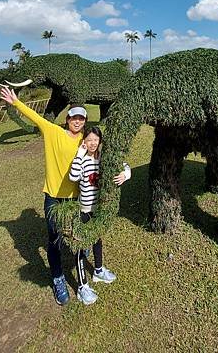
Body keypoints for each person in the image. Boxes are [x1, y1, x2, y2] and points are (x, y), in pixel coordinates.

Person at [0, 84, 125, 306]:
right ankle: (58, 278)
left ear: (85, 122)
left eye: (81, 119)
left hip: (77, 198)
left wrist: (124, 172)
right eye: (74, 117)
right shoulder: (53, 132)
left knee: (79, 234)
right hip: (54, 197)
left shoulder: (85, 140)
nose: (77, 121)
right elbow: (36, 118)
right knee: (54, 239)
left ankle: (91, 265)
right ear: (67, 119)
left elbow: (107, 150)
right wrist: (16, 102)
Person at [69, 126, 131, 305]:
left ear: (100, 141)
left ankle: (98, 270)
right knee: (81, 246)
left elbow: (125, 166)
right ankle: (82, 286)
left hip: (99, 209)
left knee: (97, 239)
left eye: (96, 140)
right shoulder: (81, 159)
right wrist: (80, 154)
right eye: (89, 140)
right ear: (84, 142)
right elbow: (73, 177)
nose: (93, 143)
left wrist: (124, 175)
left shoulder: (104, 158)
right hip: (84, 210)